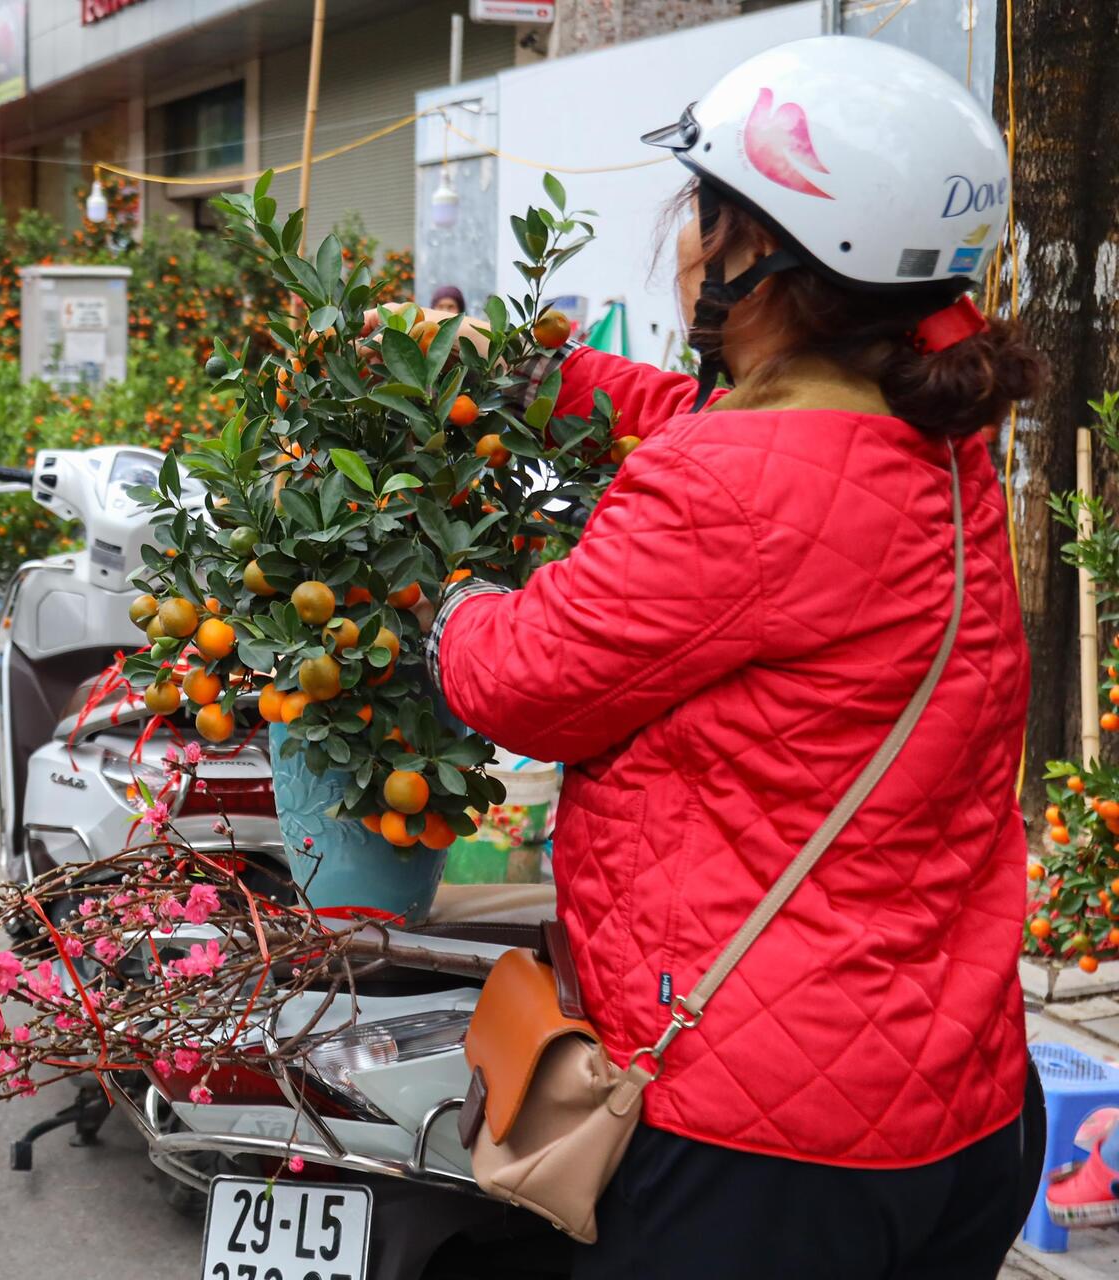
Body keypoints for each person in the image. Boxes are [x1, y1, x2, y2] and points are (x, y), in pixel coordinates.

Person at [415, 38, 1045, 1277]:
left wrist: (442, 597)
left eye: (705, 210)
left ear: (768, 253)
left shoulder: (731, 487)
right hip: (958, 1100)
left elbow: (521, 677)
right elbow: (722, 426)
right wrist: (540, 379)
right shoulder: (935, 432)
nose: (688, 239)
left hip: (763, 1149)